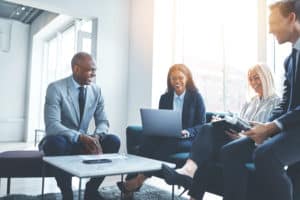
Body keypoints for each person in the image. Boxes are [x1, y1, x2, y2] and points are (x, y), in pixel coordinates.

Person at [162, 63, 281, 200]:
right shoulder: (251, 102)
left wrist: (240, 138)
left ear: (266, 77)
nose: (253, 83)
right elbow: (241, 124)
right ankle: (190, 178)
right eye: (251, 79)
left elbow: (270, 135)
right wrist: (226, 123)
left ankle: (189, 175)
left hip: (255, 146)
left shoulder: (277, 103)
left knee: (209, 147)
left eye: (256, 78)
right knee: (209, 129)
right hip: (238, 140)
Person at [221, 1, 300, 200]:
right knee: (230, 152)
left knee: (265, 155)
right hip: (289, 128)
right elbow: (285, 104)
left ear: (291, 18)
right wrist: (266, 125)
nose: (270, 30)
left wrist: (272, 127)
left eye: (273, 23)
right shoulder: (290, 60)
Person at [39, 52, 120, 200]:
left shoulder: (96, 90)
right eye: (91, 70)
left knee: (114, 140)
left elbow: (103, 121)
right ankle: (67, 193)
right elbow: (52, 125)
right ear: (76, 69)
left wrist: (96, 137)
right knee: (54, 143)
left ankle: (91, 189)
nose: (94, 74)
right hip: (62, 140)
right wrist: (80, 137)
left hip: (85, 141)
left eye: (95, 70)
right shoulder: (56, 88)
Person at [118, 64, 206, 199]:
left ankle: (138, 180)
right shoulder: (165, 98)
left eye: (180, 78)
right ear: (169, 81)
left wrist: (187, 132)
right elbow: (162, 120)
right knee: (147, 140)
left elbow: (201, 125)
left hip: (188, 139)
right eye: (173, 79)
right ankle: (134, 180)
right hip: (167, 136)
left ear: (187, 78)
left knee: (168, 142)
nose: (177, 81)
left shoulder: (196, 97)